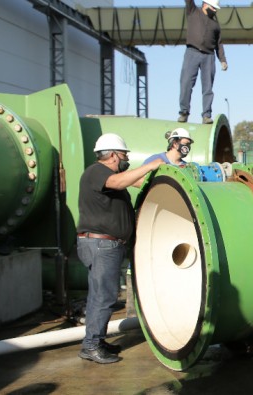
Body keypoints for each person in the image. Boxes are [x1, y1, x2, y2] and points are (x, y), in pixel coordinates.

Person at [76, 133, 164, 364]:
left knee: (100, 295)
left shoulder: (109, 175)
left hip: (105, 244)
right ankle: (91, 346)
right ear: (113, 154)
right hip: (101, 244)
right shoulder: (98, 172)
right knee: (103, 297)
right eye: (124, 154)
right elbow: (121, 181)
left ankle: (96, 340)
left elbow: (133, 181)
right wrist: (152, 165)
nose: (126, 158)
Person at [178, 0, 228, 124]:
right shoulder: (193, 11)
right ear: (205, 4)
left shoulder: (215, 25)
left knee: (208, 88)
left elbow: (219, 44)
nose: (216, 10)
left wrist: (222, 60)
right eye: (214, 7)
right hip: (192, 53)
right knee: (186, 83)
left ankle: (206, 115)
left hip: (209, 56)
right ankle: (184, 112)